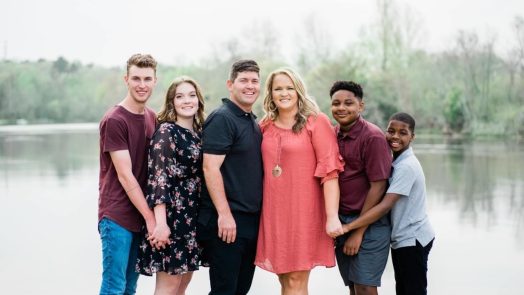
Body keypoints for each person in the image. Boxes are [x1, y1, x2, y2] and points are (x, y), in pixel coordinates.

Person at [254, 68, 344, 294]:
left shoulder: (316, 122)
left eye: (289, 88)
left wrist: (332, 217)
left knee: (296, 279)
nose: (284, 93)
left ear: (298, 91)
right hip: (274, 212)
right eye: (278, 89)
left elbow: (330, 173)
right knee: (284, 279)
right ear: (271, 93)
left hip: (305, 211)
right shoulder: (265, 125)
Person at [341, 112, 435, 295]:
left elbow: (385, 205)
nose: (395, 137)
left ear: (412, 137)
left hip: (412, 238)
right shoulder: (396, 161)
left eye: (403, 133)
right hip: (403, 238)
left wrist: (349, 227)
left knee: (412, 291)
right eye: (391, 131)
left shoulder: (407, 166)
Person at [197, 59, 264, 295]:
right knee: (224, 291)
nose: (250, 86)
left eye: (255, 81)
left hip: (250, 221)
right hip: (227, 222)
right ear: (230, 84)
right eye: (243, 80)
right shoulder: (222, 118)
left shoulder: (251, 121)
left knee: (240, 290)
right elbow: (210, 168)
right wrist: (225, 215)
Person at [136, 76, 206, 295]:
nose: (187, 100)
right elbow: (159, 179)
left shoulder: (198, 135)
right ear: (172, 102)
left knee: (182, 285)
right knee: (168, 287)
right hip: (172, 220)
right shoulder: (167, 132)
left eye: (192, 95)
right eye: (180, 96)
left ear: (199, 100)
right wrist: (160, 224)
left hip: (191, 218)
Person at [98, 53, 160, 295]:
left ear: (155, 81)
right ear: (126, 80)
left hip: (140, 216)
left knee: (130, 288)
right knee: (114, 287)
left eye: (147, 79)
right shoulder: (114, 120)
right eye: (136, 78)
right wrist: (150, 217)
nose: (141, 85)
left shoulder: (151, 117)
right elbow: (126, 176)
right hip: (117, 216)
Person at [330, 80, 392, 295]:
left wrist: (358, 232)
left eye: (348, 103)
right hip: (341, 222)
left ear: (360, 106)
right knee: (353, 287)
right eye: (336, 103)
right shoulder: (331, 134)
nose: (341, 108)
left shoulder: (372, 137)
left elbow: (379, 186)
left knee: (366, 286)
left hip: (369, 224)